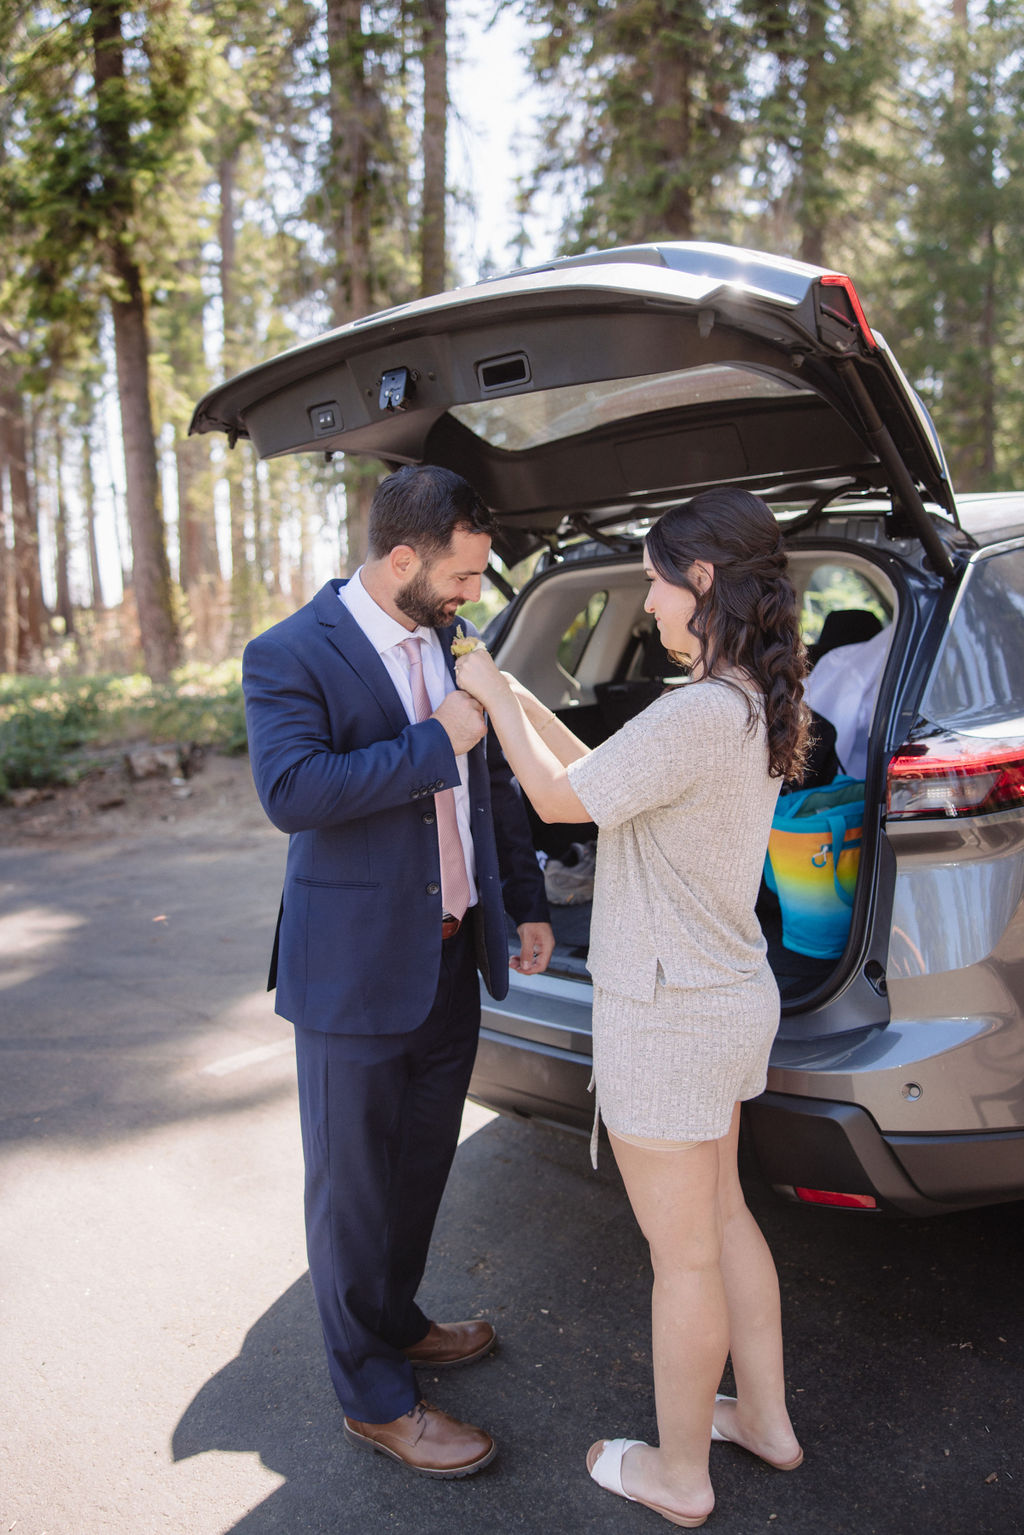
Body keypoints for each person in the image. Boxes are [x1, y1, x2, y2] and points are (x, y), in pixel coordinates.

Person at [454, 487, 807, 1527]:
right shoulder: (744, 699)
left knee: (682, 1253)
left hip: (669, 1017)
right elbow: (592, 771)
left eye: (655, 577)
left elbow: (561, 800)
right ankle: (767, 1422)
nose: (646, 599)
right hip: (727, 999)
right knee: (725, 1216)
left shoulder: (699, 711)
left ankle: (680, 1473)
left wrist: (482, 685)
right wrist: (509, 691)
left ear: (700, 580)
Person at [242, 465, 554, 1479]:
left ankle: (394, 1318)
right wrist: (434, 741)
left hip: (449, 960)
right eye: (463, 575)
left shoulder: (455, 639)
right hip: (350, 976)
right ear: (405, 557)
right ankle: (371, 1395)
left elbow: (492, 776)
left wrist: (528, 899)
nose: (474, 595)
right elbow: (292, 790)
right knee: (352, 1192)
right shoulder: (289, 652)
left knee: (419, 1171)